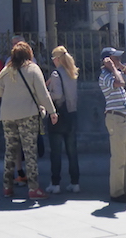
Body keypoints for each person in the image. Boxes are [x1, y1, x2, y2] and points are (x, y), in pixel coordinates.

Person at [0, 40, 57, 201]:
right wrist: (52, 112)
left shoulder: (7, 70)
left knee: (10, 151)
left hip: (8, 116)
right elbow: (43, 93)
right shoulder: (33, 69)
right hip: (28, 115)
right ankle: (33, 188)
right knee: (29, 151)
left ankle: (7, 187)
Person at [98, 46, 126, 203]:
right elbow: (120, 83)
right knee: (119, 158)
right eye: (115, 58)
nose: (119, 60)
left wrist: (121, 67)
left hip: (124, 118)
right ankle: (117, 192)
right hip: (115, 119)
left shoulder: (116, 72)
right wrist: (114, 68)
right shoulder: (105, 77)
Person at [45, 45, 80, 194]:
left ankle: (55, 183)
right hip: (72, 114)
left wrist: (47, 94)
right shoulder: (72, 73)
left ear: (58, 59)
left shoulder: (56, 74)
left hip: (59, 115)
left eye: (54, 58)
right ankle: (75, 182)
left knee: (56, 151)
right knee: (72, 151)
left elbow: (58, 95)